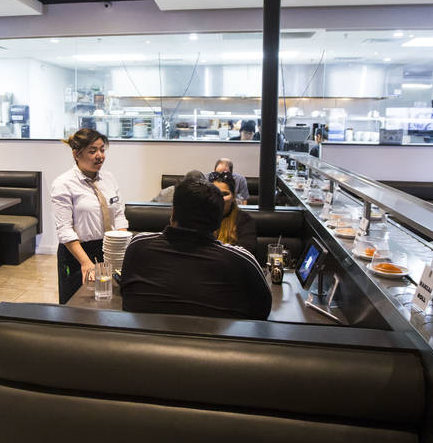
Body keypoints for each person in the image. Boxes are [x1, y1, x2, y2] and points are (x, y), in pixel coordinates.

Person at [120, 177, 271, 320]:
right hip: (217, 346)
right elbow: (262, 312)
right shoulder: (241, 261)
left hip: (144, 344)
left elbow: (126, 294)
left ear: (173, 213)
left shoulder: (138, 246)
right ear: (217, 223)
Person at [51, 128, 128, 304]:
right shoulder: (63, 184)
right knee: (76, 303)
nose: (99, 156)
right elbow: (64, 229)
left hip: (108, 249)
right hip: (77, 253)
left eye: (102, 150)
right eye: (92, 151)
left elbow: (118, 215)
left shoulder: (109, 178)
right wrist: (85, 262)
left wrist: (120, 247)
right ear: (76, 154)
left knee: (110, 301)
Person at [208, 171, 258, 258]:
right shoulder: (201, 217)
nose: (220, 198)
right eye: (215, 193)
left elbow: (246, 252)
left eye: (225, 194)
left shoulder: (244, 220)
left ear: (234, 196)